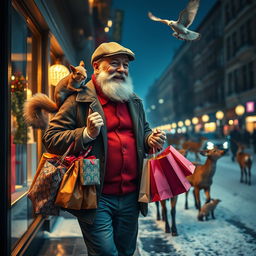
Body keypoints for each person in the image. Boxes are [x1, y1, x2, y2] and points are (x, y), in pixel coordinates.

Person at [43, 42, 166, 256]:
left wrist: (151, 139)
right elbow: (51, 138)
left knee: (126, 251)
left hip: (131, 195)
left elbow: (143, 132)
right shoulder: (77, 100)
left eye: (125, 65)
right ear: (97, 67)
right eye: (115, 64)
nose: (122, 69)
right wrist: (86, 134)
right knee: (105, 253)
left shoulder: (134, 101)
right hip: (95, 195)